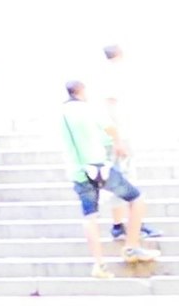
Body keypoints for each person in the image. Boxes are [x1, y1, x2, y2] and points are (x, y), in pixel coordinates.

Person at [61, 76, 148, 276]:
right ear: (82, 91)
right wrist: (118, 143)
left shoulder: (60, 113)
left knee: (89, 216)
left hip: (78, 171)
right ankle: (131, 245)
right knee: (137, 198)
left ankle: (99, 264)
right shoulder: (87, 109)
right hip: (99, 167)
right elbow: (109, 128)